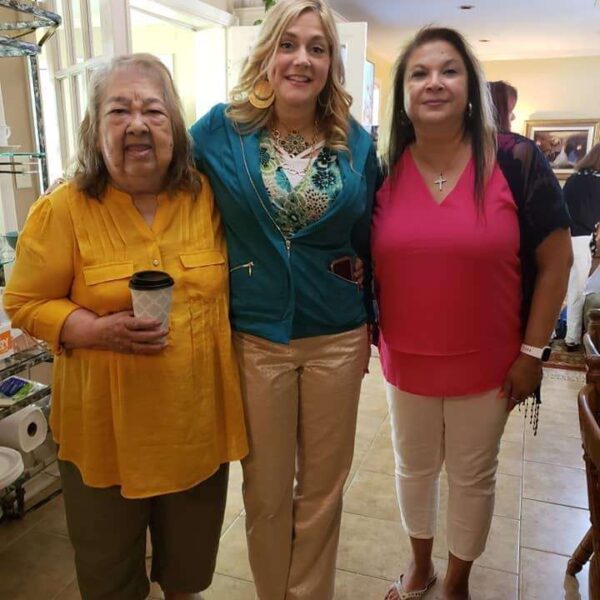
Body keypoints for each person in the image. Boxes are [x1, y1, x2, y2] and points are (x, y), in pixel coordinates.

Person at [3, 54, 248, 600]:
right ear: (95, 128)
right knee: (109, 578)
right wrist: (91, 330)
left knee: (188, 576)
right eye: (119, 110)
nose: (137, 124)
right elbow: (23, 301)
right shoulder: (63, 209)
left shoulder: (207, 198)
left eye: (153, 111)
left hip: (194, 430)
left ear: (174, 127)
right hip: (102, 437)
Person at [371, 27, 572, 600]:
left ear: (470, 87)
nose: (434, 82)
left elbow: (556, 260)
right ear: (403, 93)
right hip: (405, 360)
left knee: (473, 476)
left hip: (490, 366)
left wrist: (533, 353)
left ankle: (457, 581)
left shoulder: (515, 160)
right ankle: (420, 567)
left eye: (449, 70)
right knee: (412, 468)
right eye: (419, 73)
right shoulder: (381, 167)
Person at [190, 1, 378, 598]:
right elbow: (169, 195)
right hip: (256, 339)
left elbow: (369, 238)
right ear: (267, 54)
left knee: (322, 491)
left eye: (317, 48)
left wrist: (371, 318)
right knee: (266, 492)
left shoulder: (356, 144)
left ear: (331, 63)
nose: (302, 59)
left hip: (337, 336)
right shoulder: (220, 131)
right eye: (289, 44)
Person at [564, 143, 600, 349]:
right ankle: (572, 338)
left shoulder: (572, 180)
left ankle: (548, 334)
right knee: (577, 291)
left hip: (562, 237)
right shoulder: (598, 184)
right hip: (583, 239)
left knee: (557, 289)